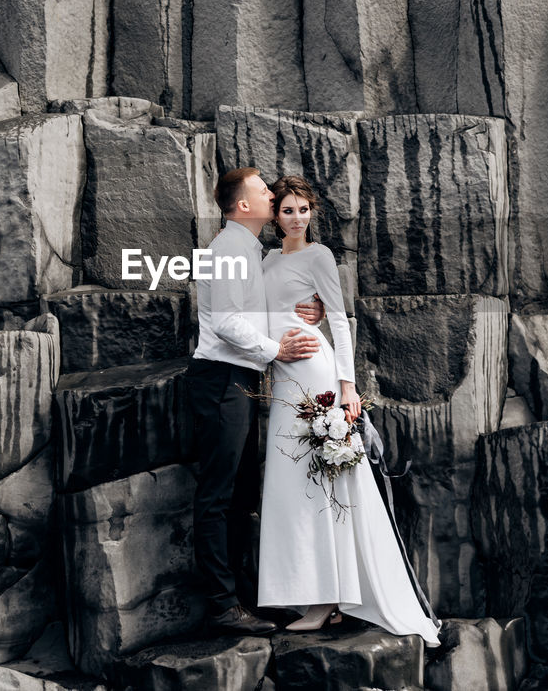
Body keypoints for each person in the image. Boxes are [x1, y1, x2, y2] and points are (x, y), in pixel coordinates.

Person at [257, 175, 440, 645]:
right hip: (284, 376)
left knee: (320, 479)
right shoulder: (268, 258)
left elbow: (337, 317)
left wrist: (347, 385)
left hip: (315, 372)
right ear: (274, 215)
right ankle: (315, 593)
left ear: (311, 213)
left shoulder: (319, 256)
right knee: (289, 482)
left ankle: (325, 601)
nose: (296, 218)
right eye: (287, 210)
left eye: (303, 210)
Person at [187, 167, 325, 635]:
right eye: (264, 190)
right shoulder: (227, 248)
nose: (272, 195)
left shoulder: (252, 251)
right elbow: (226, 322)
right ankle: (223, 606)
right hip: (221, 379)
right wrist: (277, 351)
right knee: (218, 495)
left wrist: (315, 307)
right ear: (243, 205)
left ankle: (249, 597)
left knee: (242, 495)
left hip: (239, 380)